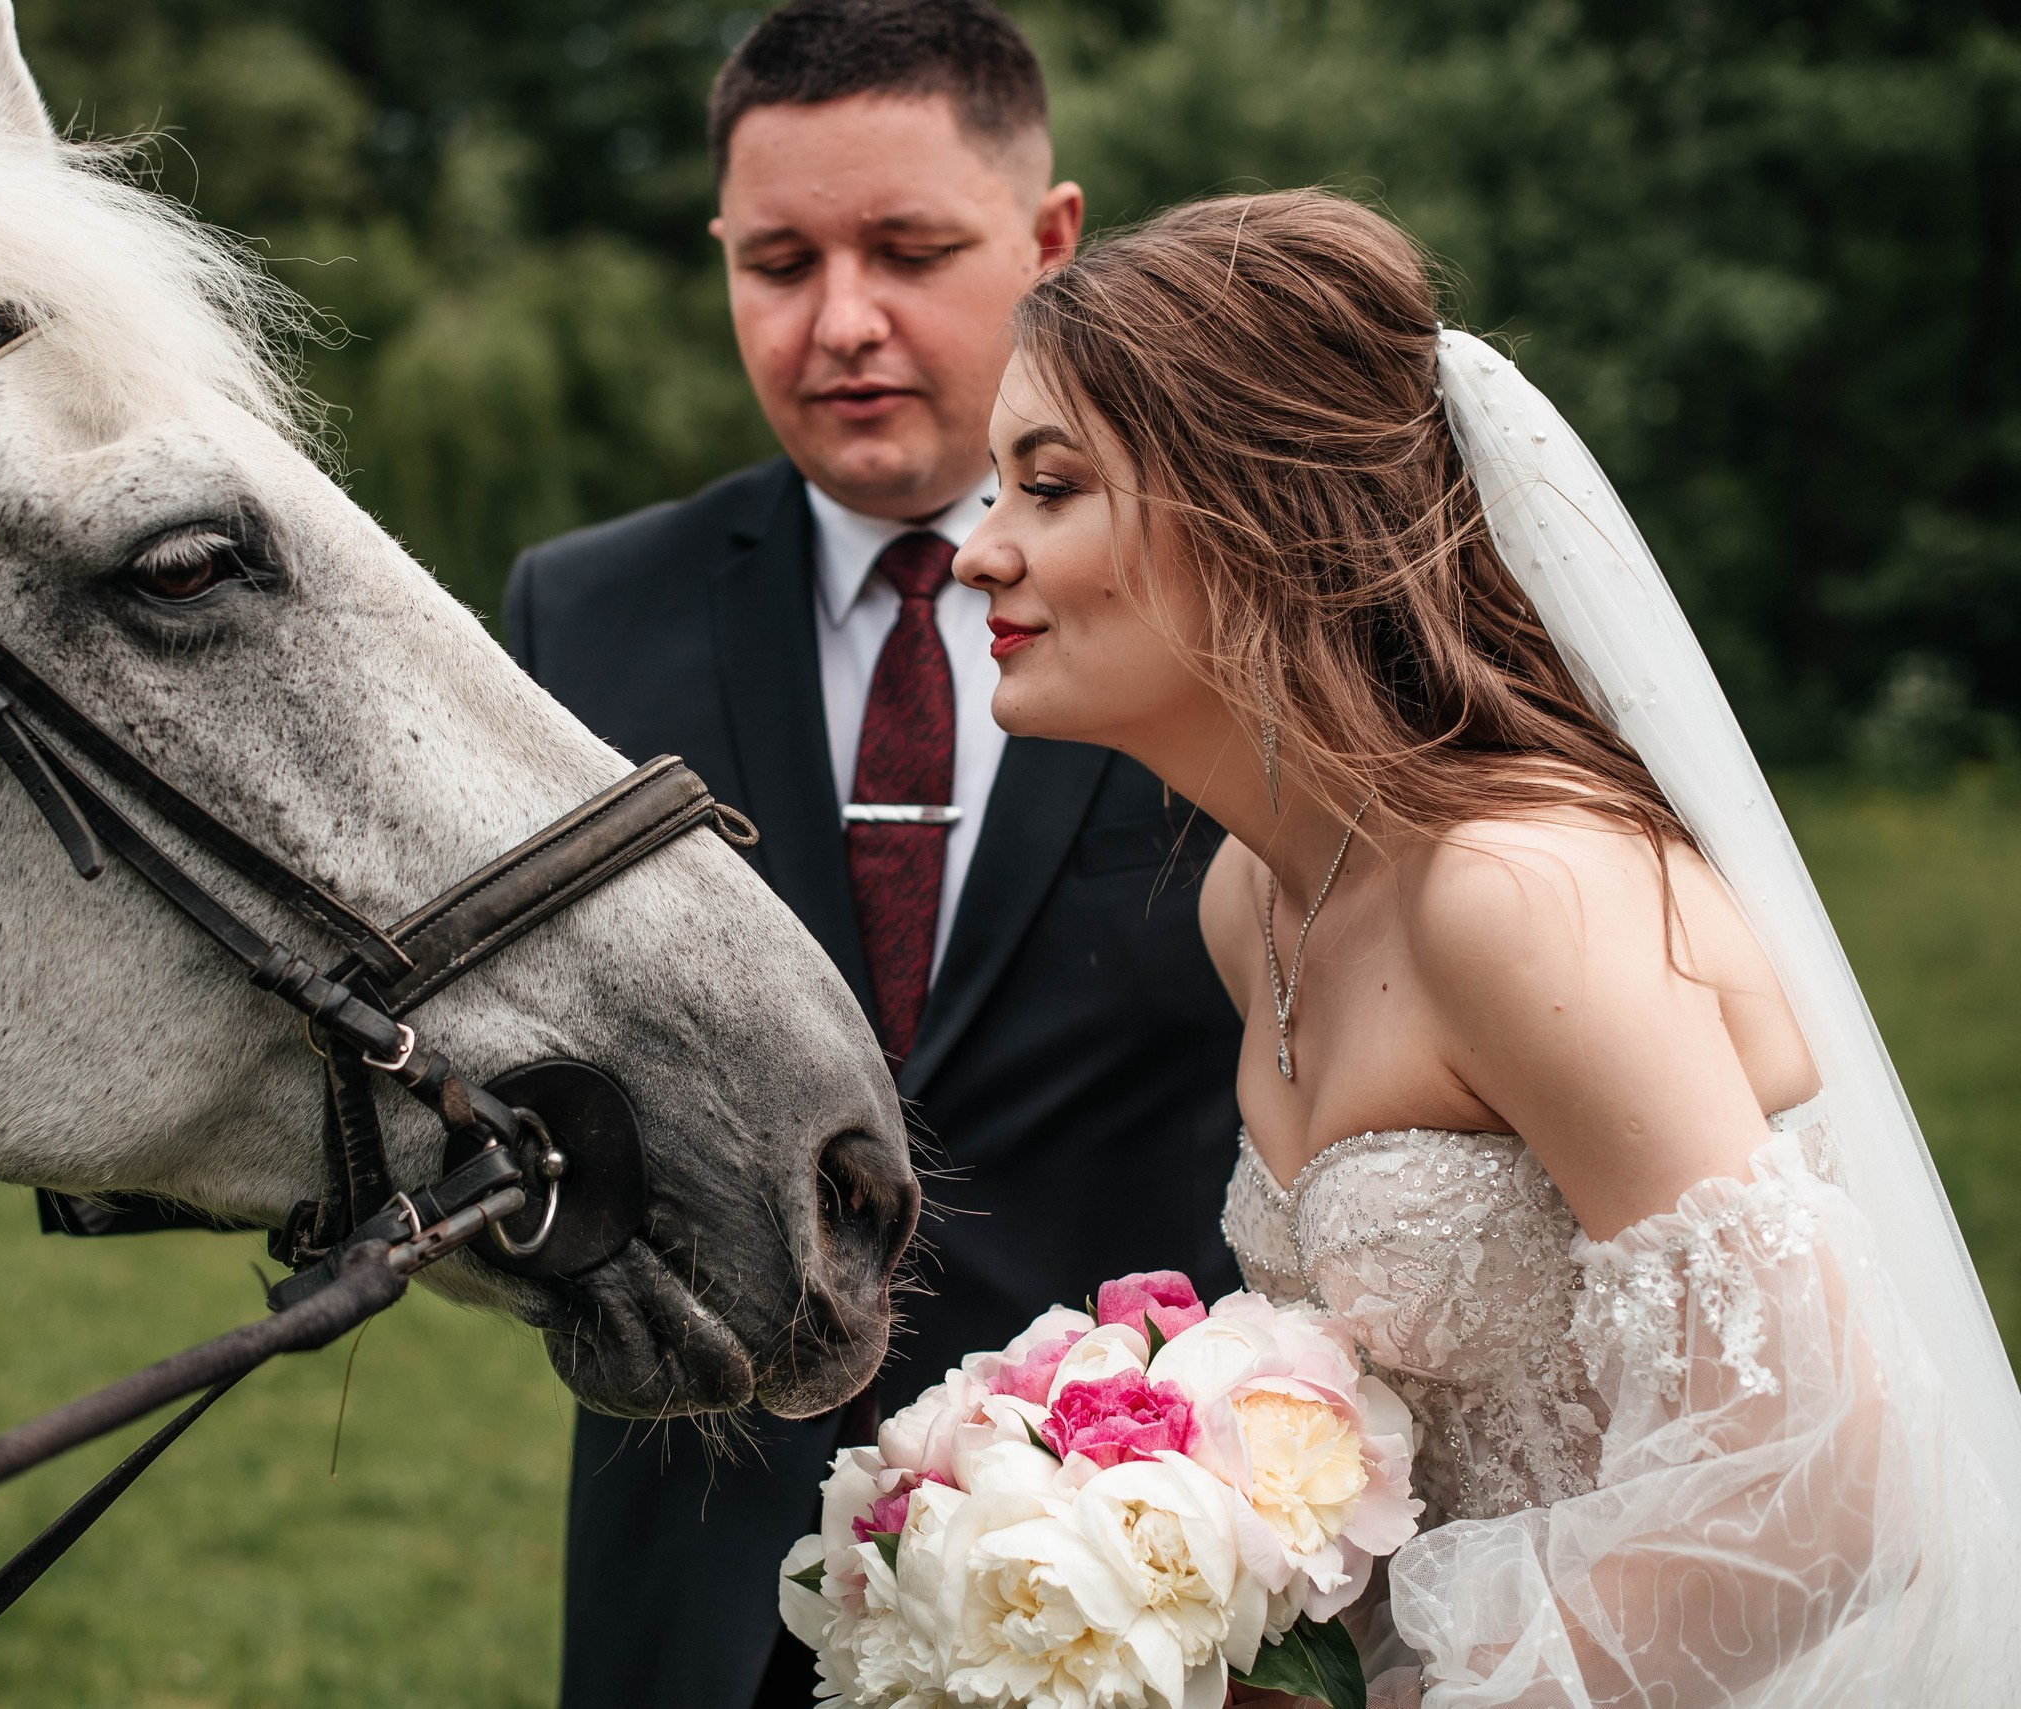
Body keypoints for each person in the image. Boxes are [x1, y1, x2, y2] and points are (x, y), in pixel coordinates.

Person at [952, 186, 2021, 1703]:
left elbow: (1838, 1491)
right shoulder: (1249, 906)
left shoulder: (1514, 893)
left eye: (1046, 489)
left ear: (1258, 508)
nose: (976, 555)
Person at [501, 3, 1246, 1702]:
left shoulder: (1228, 608)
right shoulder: (577, 612)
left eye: (911, 250)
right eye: (778, 262)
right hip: (691, 1592)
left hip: (1151, 1583)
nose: (842, 322)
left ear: (1053, 242)